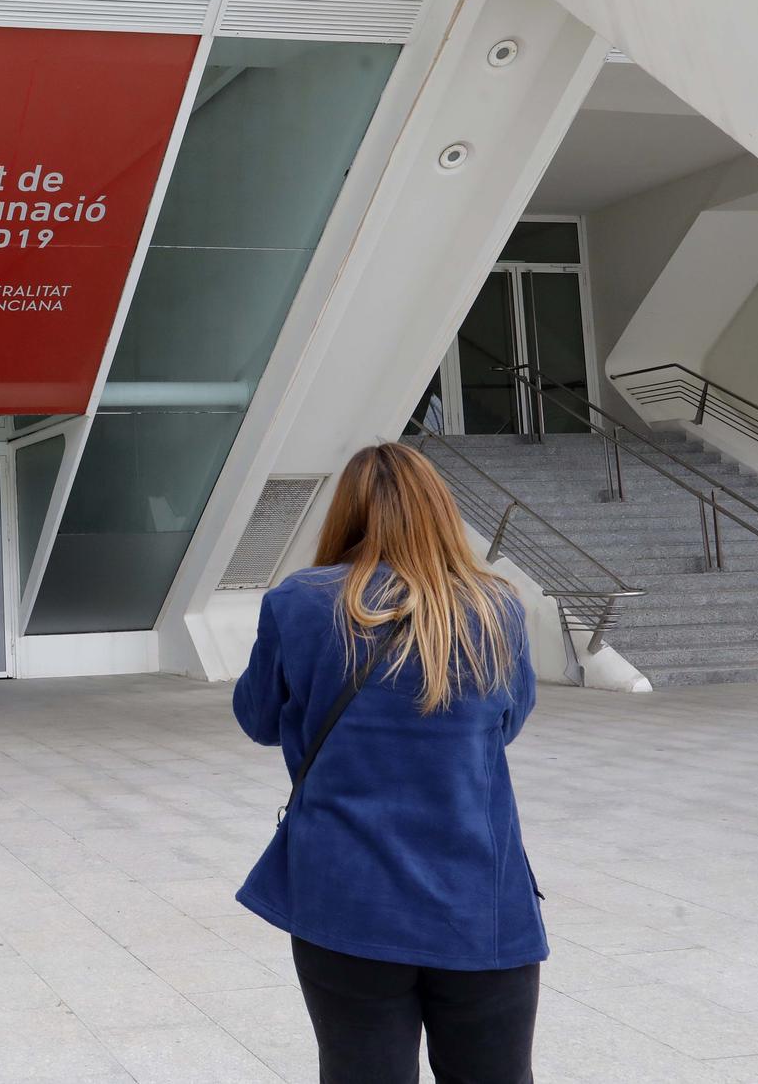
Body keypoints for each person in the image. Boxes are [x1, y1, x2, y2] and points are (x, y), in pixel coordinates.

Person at [232, 442, 544, 1084]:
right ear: (440, 510)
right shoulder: (496, 607)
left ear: (344, 514)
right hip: (478, 898)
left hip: (347, 896)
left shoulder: (301, 602)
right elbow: (505, 726)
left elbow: (258, 717)